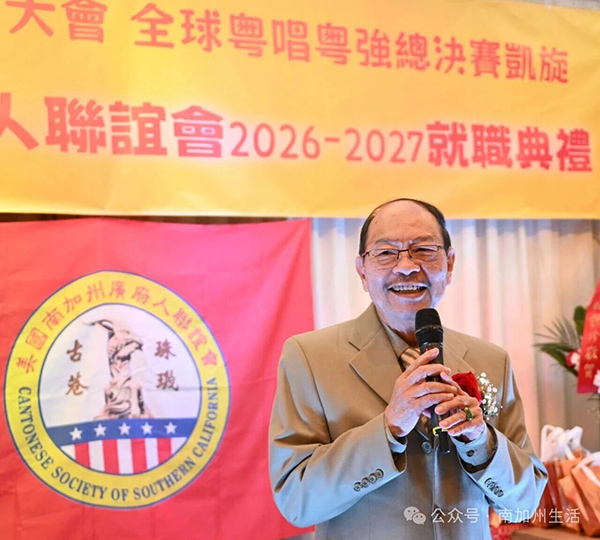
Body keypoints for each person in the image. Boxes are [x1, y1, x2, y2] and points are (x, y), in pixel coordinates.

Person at [269, 198, 547, 540]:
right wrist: (389, 428)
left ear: (450, 263)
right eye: (386, 253)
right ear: (362, 270)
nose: (406, 267)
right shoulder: (310, 357)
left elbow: (524, 506)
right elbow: (296, 501)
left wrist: (480, 441)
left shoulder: (491, 359)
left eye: (424, 250)